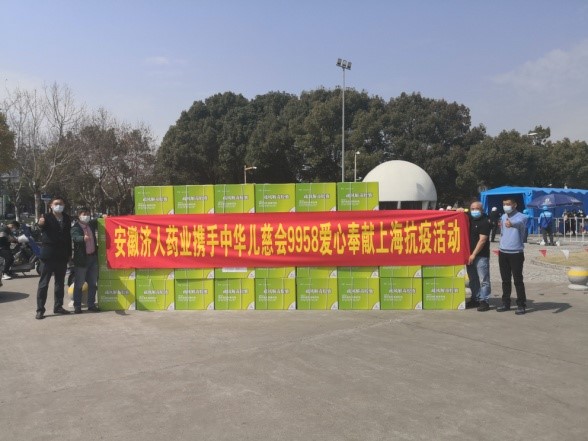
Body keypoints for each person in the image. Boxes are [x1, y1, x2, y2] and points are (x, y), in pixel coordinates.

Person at [35, 197, 72, 319]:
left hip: (62, 255)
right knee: (44, 284)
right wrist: (40, 223)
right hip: (48, 256)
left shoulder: (66, 218)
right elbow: (40, 226)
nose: (59, 205)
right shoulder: (46, 217)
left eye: (61, 203)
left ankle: (58, 306)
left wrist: (69, 254)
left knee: (60, 283)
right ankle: (40, 310)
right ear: (51, 205)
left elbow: (68, 237)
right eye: (56, 203)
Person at [497, 198, 528, 315]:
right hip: (503, 251)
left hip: (516, 253)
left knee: (518, 280)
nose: (506, 206)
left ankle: (521, 305)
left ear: (514, 205)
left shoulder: (522, 216)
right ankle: (506, 303)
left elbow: (520, 223)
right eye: (504, 204)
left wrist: (512, 223)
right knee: (505, 280)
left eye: (508, 204)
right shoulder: (503, 216)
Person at [71, 208, 100, 313]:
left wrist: (104, 216)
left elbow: (97, 219)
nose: (86, 216)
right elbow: (75, 237)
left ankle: (91, 305)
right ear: (79, 216)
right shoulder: (75, 227)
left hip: (93, 258)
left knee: (92, 283)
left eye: (88, 214)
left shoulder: (90, 225)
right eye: (84, 214)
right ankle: (77, 306)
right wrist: (82, 238)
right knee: (79, 284)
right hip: (82, 260)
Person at [465, 201, 491, 311]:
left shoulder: (485, 222)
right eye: (472, 209)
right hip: (469, 255)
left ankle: (484, 301)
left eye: (477, 209)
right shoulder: (469, 218)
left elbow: (482, 240)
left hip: (480, 255)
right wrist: (459, 210)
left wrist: (474, 254)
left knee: (483, 279)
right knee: (473, 279)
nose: (474, 211)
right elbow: (460, 213)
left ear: (482, 210)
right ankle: (475, 298)